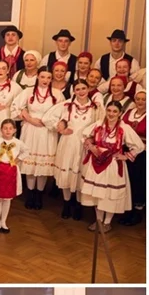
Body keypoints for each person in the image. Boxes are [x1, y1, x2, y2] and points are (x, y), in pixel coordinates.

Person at [79, 100, 144, 231]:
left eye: (115, 111)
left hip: (113, 165)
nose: (111, 114)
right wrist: (91, 145)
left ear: (120, 113)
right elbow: (85, 136)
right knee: (97, 194)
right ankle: (98, 220)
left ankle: (107, 222)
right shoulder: (99, 124)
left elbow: (139, 146)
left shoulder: (124, 128)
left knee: (110, 194)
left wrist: (125, 156)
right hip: (97, 163)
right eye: (109, 110)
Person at [44, 80, 102, 219]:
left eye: (83, 88)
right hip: (68, 143)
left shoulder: (96, 107)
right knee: (67, 173)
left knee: (80, 173)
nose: (81, 92)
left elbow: (100, 126)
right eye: (77, 89)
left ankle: (78, 204)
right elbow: (48, 118)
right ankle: (66, 203)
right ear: (73, 91)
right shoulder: (67, 105)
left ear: (88, 89)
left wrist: (92, 139)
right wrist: (60, 127)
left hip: (84, 146)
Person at [12, 67, 64, 209]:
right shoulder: (28, 92)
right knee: (30, 162)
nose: (45, 80)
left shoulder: (57, 94)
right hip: (30, 129)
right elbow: (15, 106)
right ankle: (30, 193)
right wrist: (28, 118)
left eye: (48, 77)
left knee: (43, 164)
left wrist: (50, 122)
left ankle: (39, 194)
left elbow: (62, 114)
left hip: (47, 132)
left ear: (51, 79)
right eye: (42, 77)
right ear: (38, 77)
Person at [120, 88, 146, 226]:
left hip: (143, 154)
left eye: (144, 99)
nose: (140, 101)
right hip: (126, 152)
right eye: (138, 99)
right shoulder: (129, 113)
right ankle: (127, 210)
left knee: (139, 182)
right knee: (128, 180)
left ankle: (137, 212)